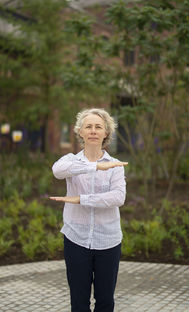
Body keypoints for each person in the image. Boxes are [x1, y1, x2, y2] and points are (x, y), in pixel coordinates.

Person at [50, 108, 128, 312]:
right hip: (76, 239)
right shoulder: (70, 161)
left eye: (98, 127)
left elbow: (118, 197)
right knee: (79, 302)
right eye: (89, 126)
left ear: (105, 133)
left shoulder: (115, 165)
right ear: (81, 132)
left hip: (108, 242)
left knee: (105, 302)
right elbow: (57, 171)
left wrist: (81, 199)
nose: (93, 130)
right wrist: (93, 167)